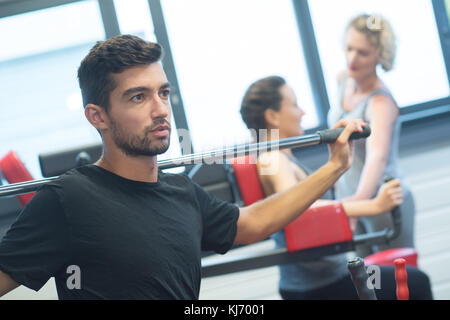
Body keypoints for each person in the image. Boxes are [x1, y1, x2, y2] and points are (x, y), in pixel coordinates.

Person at [0, 35, 364, 300]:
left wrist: (335, 167)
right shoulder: (69, 199)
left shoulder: (181, 192)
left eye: (163, 92)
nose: (160, 109)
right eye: (138, 97)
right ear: (98, 116)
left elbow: (252, 223)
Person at [240, 75, 432, 300]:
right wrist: (373, 205)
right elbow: (300, 210)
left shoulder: (281, 157)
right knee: (415, 281)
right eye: (294, 105)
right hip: (322, 287)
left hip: (329, 278)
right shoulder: (273, 159)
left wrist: (341, 156)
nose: (302, 112)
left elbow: (311, 201)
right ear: (272, 116)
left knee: (410, 279)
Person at [328, 14, 415, 257]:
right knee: (366, 284)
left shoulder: (380, 102)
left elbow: (376, 157)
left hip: (383, 203)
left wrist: (358, 203)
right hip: (353, 201)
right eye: (349, 49)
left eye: (363, 53)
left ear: (380, 56)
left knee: (398, 283)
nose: (352, 59)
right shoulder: (342, 80)